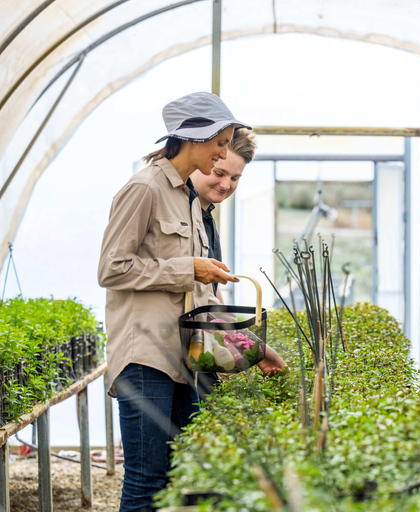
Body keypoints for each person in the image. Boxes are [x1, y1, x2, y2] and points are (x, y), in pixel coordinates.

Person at [98, 91, 246, 511]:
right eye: (220, 142)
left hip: (183, 358)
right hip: (145, 358)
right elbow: (111, 268)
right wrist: (188, 269)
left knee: (181, 475)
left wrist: (252, 346)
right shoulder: (143, 188)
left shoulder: (186, 197)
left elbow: (199, 293)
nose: (221, 156)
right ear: (195, 139)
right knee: (147, 481)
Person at [189, 128, 288, 399]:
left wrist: (251, 348)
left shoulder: (206, 217)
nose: (226, 185)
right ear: (199, 161)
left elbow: (211, 295)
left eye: (235, 178)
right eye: (219, 173)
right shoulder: (183, 214)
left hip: (195, 353)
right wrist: (252, 347)